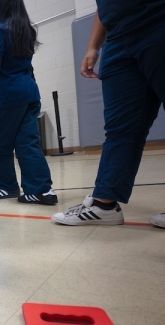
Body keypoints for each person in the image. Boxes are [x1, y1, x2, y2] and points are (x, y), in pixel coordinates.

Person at [52, 0, 165, 227]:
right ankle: (105, 204)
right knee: (120, 127)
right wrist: (93, 46)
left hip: (157, 20)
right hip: (117, 37)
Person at [0, 0, 57, 205]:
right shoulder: (25, 30)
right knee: (27, 142)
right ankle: (41, 190)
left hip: (9, 95)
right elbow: (29, 67)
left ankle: (6, 186)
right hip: (30, 92)